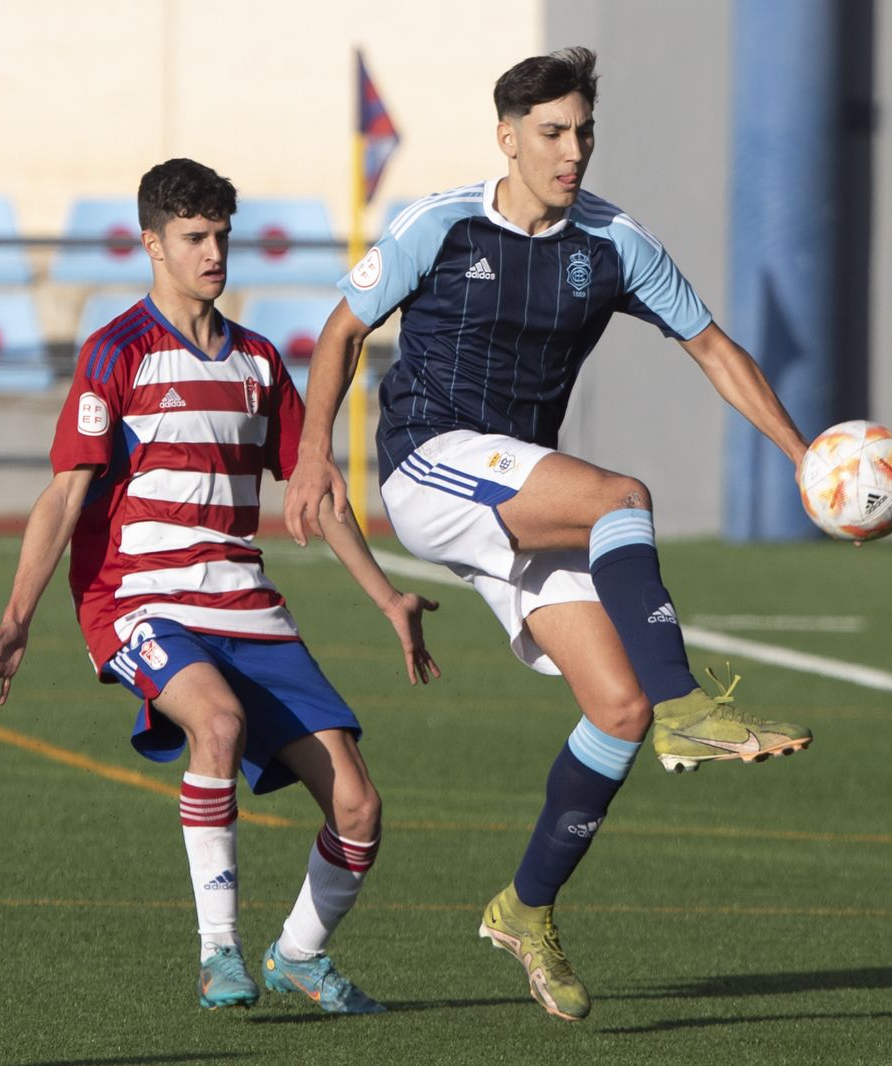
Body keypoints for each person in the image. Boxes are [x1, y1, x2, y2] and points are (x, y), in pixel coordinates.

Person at [283, 47, 812, 1021]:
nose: (572, 151)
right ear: (507, 137)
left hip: (519, 489)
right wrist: (314, 452)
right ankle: (688, 701)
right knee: (620, 496)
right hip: (428, 462)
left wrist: (802, 455)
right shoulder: (440, 225)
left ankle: (524, 909)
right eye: (552, 133)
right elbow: (341, 330)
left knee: (617, 708)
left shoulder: (614, 242)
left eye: (584, 133)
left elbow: (712, 347)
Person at [0, 158, 439, 1016]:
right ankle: (219, 953)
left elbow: (317, 493)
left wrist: (387, 596)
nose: (214, 253)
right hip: (138, 599)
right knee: (216, 723)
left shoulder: (257, 362)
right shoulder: (118, 353)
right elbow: (64, 493)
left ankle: (298, 955)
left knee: (359, 806)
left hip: (245, 603)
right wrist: (17, 617)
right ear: (152, 244)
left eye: (221, 236)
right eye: (194, 238)